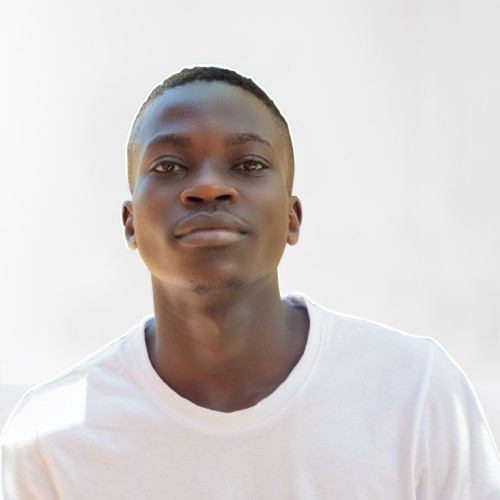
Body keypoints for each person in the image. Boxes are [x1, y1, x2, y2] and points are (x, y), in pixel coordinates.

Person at [1, 66, 499, 499]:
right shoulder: (49, 438)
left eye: (249, 165)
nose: (208, 186)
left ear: (292, 218)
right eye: (170, 166)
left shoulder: (415, 393)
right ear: (130, 224)